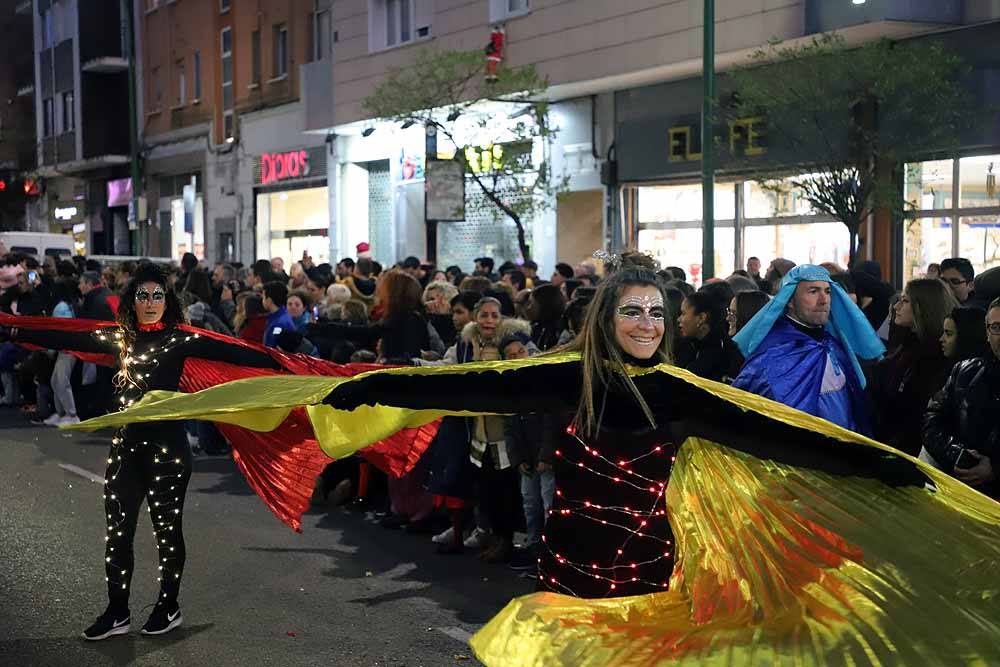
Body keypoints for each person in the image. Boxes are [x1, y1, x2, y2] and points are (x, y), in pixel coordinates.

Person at [68, 267, 1000, 664]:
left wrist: (889, 469)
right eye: (630, 312)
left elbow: (784, 436)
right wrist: (356, 392)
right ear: (606, 320)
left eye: (654, 314)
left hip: (648, 568)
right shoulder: (565, 374)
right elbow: (464, 390)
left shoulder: (680, 391)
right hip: (571, 561)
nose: (644, 325)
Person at [6, 263, 282, 640]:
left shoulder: (181, 339)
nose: (150, 302)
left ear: (167, 301)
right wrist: (14, 328)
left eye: (157, 295)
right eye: (142, 295)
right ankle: (117, 611)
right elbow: (65, 337)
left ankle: (169, 606)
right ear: (131, 301)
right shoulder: (120, 338)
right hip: (126, 449)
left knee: (167, 533)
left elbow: (241, 354)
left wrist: (291, 364)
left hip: (168, 453)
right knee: (117, 533)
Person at [733, 264, 885, 433]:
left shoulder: (834, 345)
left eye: (827, 291)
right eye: (813, 291)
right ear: (790, 300)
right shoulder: (771, 353)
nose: (824, 300)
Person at [869, 279, 957, 456]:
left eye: (905, 301)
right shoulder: (907, 344)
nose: (896, 307)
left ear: (923, 307)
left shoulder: (937, 355)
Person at [923, 298, 1000, 499]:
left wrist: (995, 469)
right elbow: (933, 423)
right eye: (996, 327)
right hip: (961, 493)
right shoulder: (964, 372)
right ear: (987, 333)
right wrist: (957, 453)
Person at [675, 291, 742, 383]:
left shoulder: (723, 354)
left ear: (702, 318)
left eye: (683, 313)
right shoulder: (686, 346)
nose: (679, 319)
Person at [261, 281, 296, 348]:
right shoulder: (280, 316)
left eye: (263, 297)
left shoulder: (279, 323)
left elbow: (271, 348)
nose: (262, 301)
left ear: (269, 300)